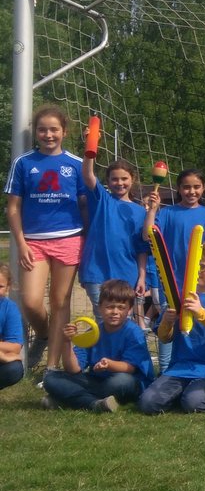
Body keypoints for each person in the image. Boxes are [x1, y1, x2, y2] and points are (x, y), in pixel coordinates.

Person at [4, 103, 87, 372]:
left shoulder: (76, 165)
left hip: (69, 238)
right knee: (30, 301)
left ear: (64, 132)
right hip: (33, 242)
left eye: (54, 129)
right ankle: (42, 334)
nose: (48, 135)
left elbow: (85, 206)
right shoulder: (23, 163)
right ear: (36, 133)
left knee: (60, 302)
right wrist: (21, 244)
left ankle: (52, 367)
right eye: (42, 130)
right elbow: (13, 208)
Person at [138, 239, 205, 414]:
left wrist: (201, 313)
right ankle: (181, 394)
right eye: (194, 266)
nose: (197, 270)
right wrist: (167, 321)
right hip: (180, 368)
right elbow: (164, 337)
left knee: (194, 404)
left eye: (203, 267)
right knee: (147, 403)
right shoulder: (180, 296)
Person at [144, 168, 205, 374]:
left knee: (198, 325)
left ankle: (200, 368)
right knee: (168, 324)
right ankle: (165, 371)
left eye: (196, 187)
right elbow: (147, 236)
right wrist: (152, 210)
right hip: (172, 283)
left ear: (203, 188)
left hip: (202, 286)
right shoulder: (167, 213)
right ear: (178, 189)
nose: (191, 191)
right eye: (186, 187)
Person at [43, 279, 153, 411]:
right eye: (109, 307)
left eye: (121, 308)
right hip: (97, 380)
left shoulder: (134, 332)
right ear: (100, 307)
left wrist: (109, 365)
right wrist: (66, 342)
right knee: (50, 378)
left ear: (129, 310)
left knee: (121, 381)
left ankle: (68, 398)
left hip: (126, 381)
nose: (115, 312)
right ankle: (94, 404)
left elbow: (129, 368)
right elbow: (73, 369)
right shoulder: (93, 332)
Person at [79, 155, 149, 313]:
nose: (120, 183)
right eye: (115, 179)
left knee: (123, 319)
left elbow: (142, 249)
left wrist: (142, 277)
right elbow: (88, 174)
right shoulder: (101, 199)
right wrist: (90, 149)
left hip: (127, 274)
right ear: (108, 181)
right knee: (104, 317)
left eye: (124, 178)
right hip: (97, 272)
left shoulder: (140, 212)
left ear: (132, 179)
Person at [0, 266, 26, 390]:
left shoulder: (10, 308)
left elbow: (15, 347)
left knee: (14, 369)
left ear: (8, 287)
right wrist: (3, 356)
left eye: (0, 286)